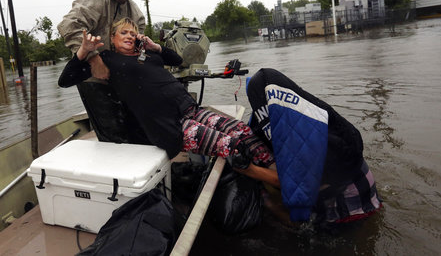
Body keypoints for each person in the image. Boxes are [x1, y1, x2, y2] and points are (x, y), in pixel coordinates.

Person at [58, 17, 271, 168]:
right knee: (232, 146)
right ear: (112, 38)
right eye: (123, 33)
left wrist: (154, 46)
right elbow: (65, 80)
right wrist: (84, 51)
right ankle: (274, 182)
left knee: (242, 130)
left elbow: (178, 61)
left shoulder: (147, 55)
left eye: (133, 33)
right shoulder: (108, 60)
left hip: (190, 109)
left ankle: (275, 167)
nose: (130, 37)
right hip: (171, 125)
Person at [237, 68, 382, 227]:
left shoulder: (309, 137)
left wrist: (248, 170)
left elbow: (292, 180)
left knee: (321, 233)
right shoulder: (305, 112)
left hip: (351, 197)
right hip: (354, 179)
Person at [57, 0, 145, 80]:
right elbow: (69, 25)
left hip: (120, 74)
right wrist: (94, 59)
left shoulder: (133, 10)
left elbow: (140, 36)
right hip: (91, 73)